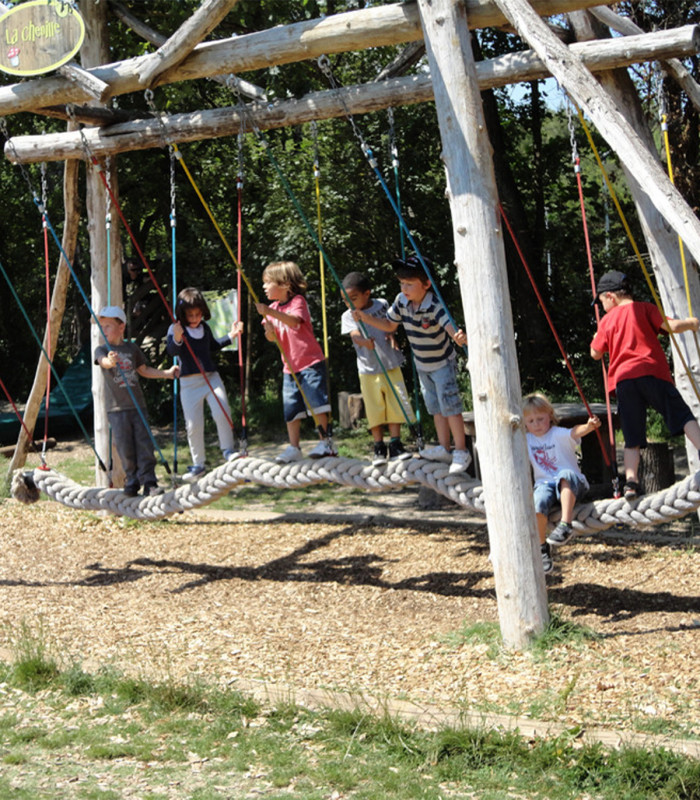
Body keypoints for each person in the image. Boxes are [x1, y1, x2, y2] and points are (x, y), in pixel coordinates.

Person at [351, 255, 471, 474]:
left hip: (442, 364)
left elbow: (450, 328)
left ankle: (461, 450)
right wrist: (365, 319)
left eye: (409, 284)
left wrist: (459, 337)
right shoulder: (401, 301)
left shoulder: (434, 304)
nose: (404, 288)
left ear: (426, 284)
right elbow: (389, 325)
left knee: (450, 407)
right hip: (422, 365)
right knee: (435, 408)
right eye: (401, 283)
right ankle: (444, 448)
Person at [590, 270, 700, 501]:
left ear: (610, 296)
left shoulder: (607, 321)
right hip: (652, 373)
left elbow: (595, 353)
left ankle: (631, 482)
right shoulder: (645, 308)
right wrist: (691, 323)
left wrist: (600, 337)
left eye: (601, 303)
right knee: (681, 414)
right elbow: (672, 327)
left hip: (624, 381)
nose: (602, 308)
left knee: (632, 434)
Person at [255, 260, 336, 463]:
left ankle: (325, 441)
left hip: (309, 362)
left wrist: (270, 313)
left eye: (268, 282)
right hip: (289, 367)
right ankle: (294, 447)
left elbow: (293, 322)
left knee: (317, 405)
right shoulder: (271, 308)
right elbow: (271, 337)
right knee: (291, 409)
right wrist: (268, 329)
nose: (264, 287)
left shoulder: (297, 302)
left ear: (284, 284)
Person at [94, 305, 180, 497]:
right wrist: (111, 361)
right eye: (102, 326)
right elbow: (104, 363)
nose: (104, 330)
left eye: (108, 326)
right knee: (125, 447)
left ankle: (149, 481)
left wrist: (166, 374)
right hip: (116, 410)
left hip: (137, 406)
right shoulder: (101, 350)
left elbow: (144, 370)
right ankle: (131, 480)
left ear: (121, 327)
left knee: (144, 444)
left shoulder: (131, 348)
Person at [166, 286, 243, 482]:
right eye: (190, 315)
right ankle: (199, 464)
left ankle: (228, 450)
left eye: (198, 314)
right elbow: (173, 351)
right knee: (193, 425)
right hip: (189, 383)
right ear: (182, 314)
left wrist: (231, 335)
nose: (194, 318)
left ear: (203, 312)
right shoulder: (177, 329)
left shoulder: (204, 328)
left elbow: (213, 347)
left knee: (222, 412)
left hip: (211, 378)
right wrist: (176, 337)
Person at [341, 271, 415, 465]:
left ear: (367, 293)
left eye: (353, 298)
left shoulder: (382, 304)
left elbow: (390, 324)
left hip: (390, 363)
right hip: (368, 369)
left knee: (396, 403)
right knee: (374, 408)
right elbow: (354, 335)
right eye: (345, 300)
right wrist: (363, 342)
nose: (349, 304)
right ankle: (378, 446)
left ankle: (396, 444)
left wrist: (391, 336)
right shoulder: (348, 315)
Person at [522, 393, 601, 574]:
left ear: (550, 416)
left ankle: (565, 525)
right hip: (545, 484)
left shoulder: (557, 434)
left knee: (565, 475)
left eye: (540, 419)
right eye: (531, 421)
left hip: (572, 485)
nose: (537, 425)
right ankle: (542, 548)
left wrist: (589, 426)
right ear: (525, 423)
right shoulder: (527, 439)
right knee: (537, 503)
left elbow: (574, 432)